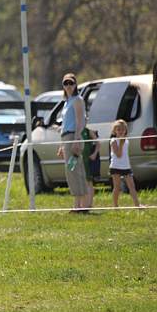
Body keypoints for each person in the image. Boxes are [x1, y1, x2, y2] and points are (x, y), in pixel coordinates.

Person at [56, 73, 89, 212]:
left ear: (75, 85)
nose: (68, 86)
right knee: (71, 170)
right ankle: (77, 204)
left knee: (75, 169)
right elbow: (64, 124)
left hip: (73, 137)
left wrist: (76, 139)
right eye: (66, 83)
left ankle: (81, 205)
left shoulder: (77, 100)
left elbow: (81, 121)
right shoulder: (66, 102)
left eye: (71, 83)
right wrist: (61, 145)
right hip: (66, 138)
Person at [109, 119, 142, 207]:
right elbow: (119, 155)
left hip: (126, 167)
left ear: (125, 130)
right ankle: (115, 206)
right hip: (115, 167)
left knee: (132, 186)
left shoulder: (126, 140)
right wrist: (121, 143)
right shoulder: (113, 141)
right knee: (117, 187)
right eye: (118, 129)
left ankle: (137, 205)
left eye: (123, 129)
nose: (121, 131)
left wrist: (123, 142)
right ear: (114, 130)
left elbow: (125, 155)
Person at [82, 125, 100, 207]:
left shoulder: (88, 131)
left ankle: (89, 203)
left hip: (87, 159)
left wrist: (94, 154)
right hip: (79, 159)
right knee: (81, 182)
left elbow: (98, 143)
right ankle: (83, 203)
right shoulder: (75, 131)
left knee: (88, 181)